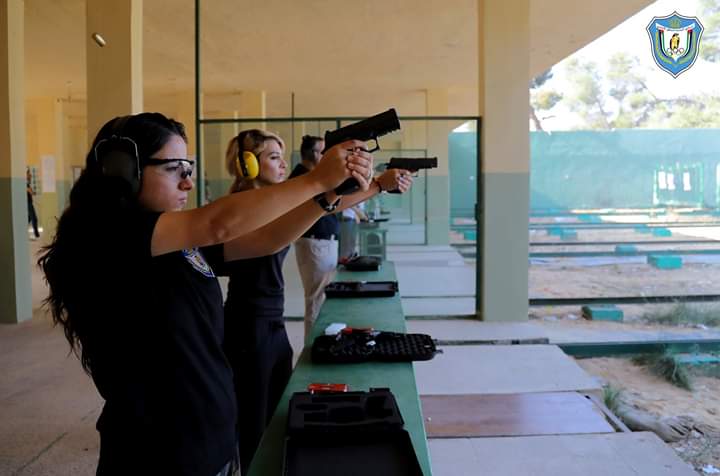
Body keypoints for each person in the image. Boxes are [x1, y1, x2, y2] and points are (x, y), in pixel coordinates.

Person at [37, 113, 372, 476]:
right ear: (122, 169)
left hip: (210, 439)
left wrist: (326, 197)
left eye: (188, 168)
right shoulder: (108, 236)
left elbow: (265, 239)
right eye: (173, 169)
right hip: (160, 453)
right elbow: (217, 224)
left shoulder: (173, 240)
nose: (187, 181)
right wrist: (314, 180)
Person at [290, 135, 413, 338]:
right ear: (314, 154)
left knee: (319, 298)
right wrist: (379, 184)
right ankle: (311, 346)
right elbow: (326, 207)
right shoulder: (304, 178)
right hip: (316, 242)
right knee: (316, 300)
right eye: (324, 152)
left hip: (320, 242)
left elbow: (335, 202)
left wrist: (377, 184)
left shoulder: (310, 177)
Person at [27, 167, 40, 239]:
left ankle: (21, 229)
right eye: (29, 174)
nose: (30, 175)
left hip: (29, 203)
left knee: (28, 219)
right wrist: (33, 192)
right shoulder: (25, 183)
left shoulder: (27, 183)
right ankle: (37, 234)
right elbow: (31, 192)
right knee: (34, 218)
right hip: (28, 204)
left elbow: (31, 191)